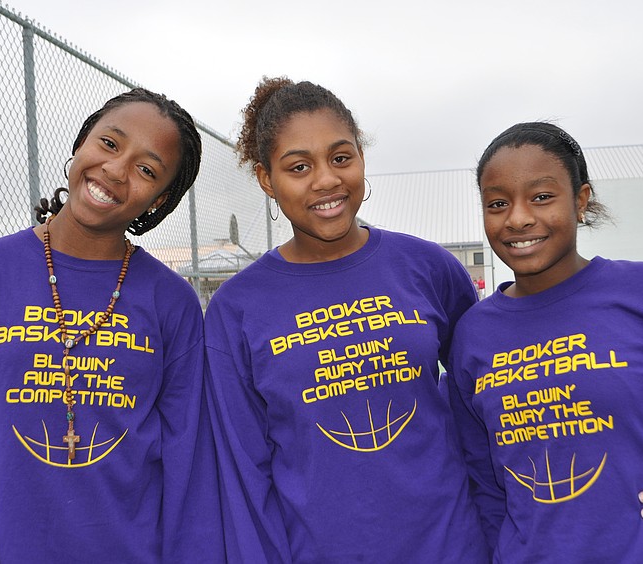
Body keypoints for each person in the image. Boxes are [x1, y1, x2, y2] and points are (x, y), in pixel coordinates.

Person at [0, 88, 222, 562]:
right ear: (81, 144)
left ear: (158, 200)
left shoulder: (173, 302)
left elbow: (190, 467)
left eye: (146, 170)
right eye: (109, 144)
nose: (116, 171)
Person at [204, 76, 488, 562]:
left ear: (361, 157)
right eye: (299, 166)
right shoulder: (236, 309)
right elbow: (243, 471)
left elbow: (493, 394)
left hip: (450, 544)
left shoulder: (427, 267)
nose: (327, 180)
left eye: (341, 158)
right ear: (267, 179)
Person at [447, 122, 643, 562]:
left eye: (541, 197)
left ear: (580, 199)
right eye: (498, 203)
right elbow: (484, 478)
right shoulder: (473, 334)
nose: (517, 217)